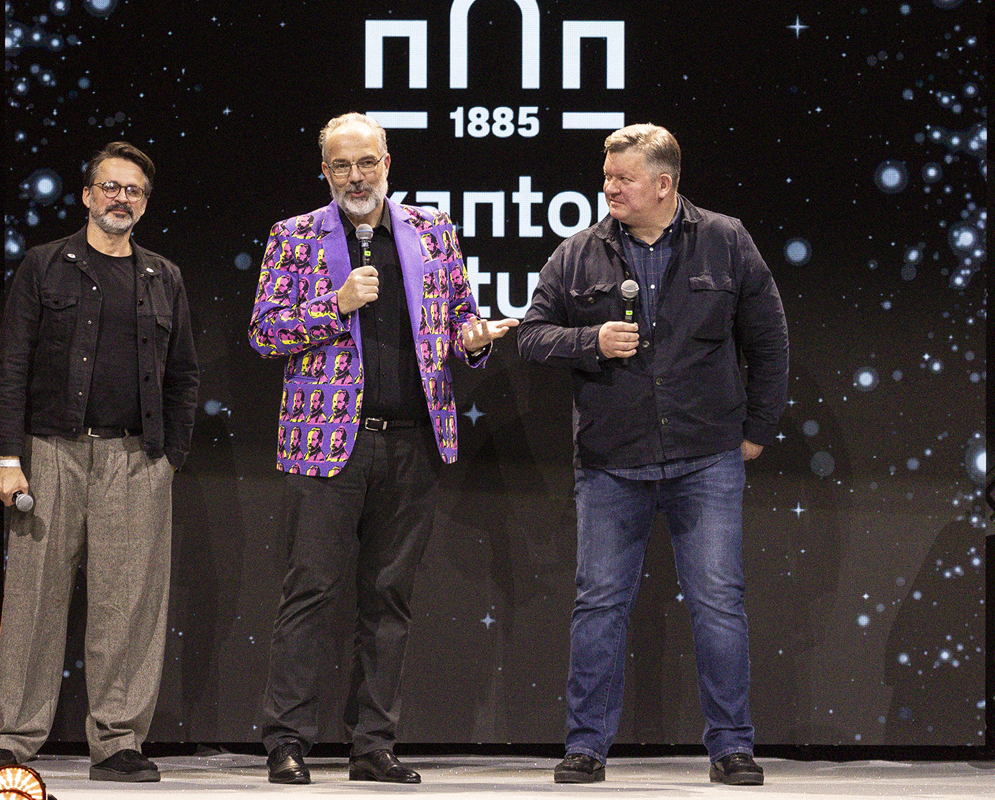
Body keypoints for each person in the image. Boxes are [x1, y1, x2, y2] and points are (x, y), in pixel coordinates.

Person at [248, 112, 517, 785]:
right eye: (341, 165)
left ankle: (373, 745)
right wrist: (335, 304)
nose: (355, 176)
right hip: (326, 446)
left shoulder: (433, 230)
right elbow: (264, 332)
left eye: (366, 162)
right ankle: (287, 740)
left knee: (389, 598)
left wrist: (473, 340)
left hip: (413, 442)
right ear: (325, 172)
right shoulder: (295, 235)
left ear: (387, 164)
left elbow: (458, 319)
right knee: (309, 592)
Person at [517, 124, 788, 787]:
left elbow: (768, 337)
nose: (608, 187)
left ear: (663, 184)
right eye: (607, 176)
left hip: (706, 456)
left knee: (718, 604)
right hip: (611, 460)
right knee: (599, 605)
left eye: (623, 178)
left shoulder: (726, 240)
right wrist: (590, 341)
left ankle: (731, 747)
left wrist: (757, 427)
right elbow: (531, 335)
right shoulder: (577, 253)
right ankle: (586, 747)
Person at [0, 141, 199, 783]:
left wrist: (170, 458)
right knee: (34, 600)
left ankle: (118, 740)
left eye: (133, 191)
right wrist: (8, 456)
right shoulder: (46, 265)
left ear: (145, 204)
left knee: (128, 604)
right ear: (86, 195)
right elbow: (12, 366)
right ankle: (12, 738)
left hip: (137, 458)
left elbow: (183, 375)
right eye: (111, 187)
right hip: (51, 451)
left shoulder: (163, 276)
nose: (121, 199)